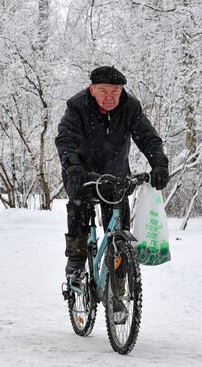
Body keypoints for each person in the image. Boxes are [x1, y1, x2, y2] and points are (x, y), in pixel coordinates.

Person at [55, 66, 169, 279]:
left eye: (115, 91)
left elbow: (148, 138)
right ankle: (77, 259)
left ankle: (118, 285)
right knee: (79, 208)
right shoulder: (77, 106)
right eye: (104, 91)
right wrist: (73, 166)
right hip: (82, 174)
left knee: (119, 228)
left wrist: (159, 164)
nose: (110, 97)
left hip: (115, 175)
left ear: (121, 91)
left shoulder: (130, 107)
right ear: (92, 89)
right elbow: (65, 139)